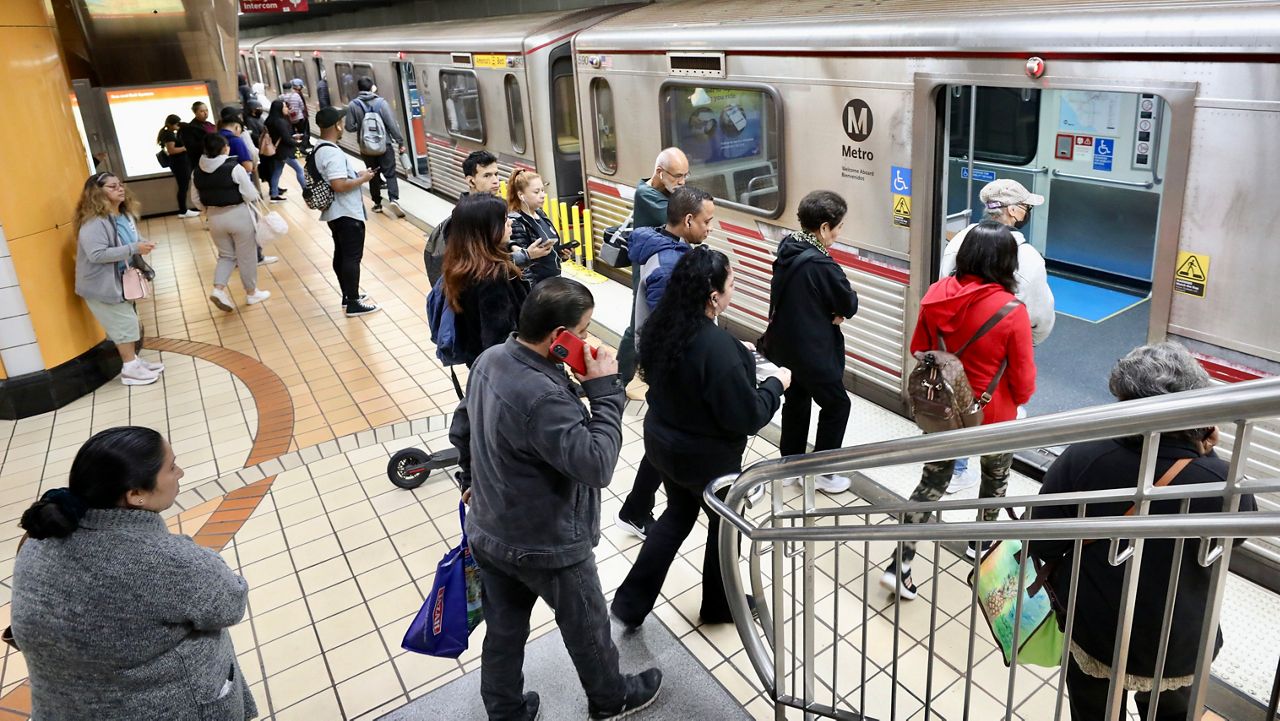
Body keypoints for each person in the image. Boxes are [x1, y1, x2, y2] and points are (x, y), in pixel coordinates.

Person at [449, 279, 662, 721]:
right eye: (582, 332)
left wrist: (471, 477)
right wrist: (606, 391)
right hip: (547, 542)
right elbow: (597, 464)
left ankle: (505, 710)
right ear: (557, 338)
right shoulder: (544, 396)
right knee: (587, 626)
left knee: (504, 630)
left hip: (490, 529)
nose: (588, 340)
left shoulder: (490, 360)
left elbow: (462, 426)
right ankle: (610, 698)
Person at [1028, 342, 1257, 721]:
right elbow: (1237, 535)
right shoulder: (1220, 480)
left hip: (1097, 626)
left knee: (1094, 710)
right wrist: (1205, 450)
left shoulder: (1084, 457)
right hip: (1179, 637)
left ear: (1124, 399)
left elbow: (1043, 538)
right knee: (1172, 713)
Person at [11, 427, 257, 720]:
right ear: (136, 494)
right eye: (172, 467)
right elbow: (230, 601)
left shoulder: (40, 536)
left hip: (65, 707)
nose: (181, 473)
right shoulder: (165, 562)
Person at [612, 247, 789, 629]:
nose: (734, 288)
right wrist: (776, 384)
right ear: (713, 297)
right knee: (725, 527)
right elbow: (749, 416)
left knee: (676, 516)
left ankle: (629, 604)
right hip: (708, 462)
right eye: (731, 282)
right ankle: (719, 606)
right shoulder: (719, 348)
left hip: (663, 447)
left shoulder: (663, 325)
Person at [881, 220, 1036, 599]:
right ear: (1005, 263)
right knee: (995, 481)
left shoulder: (937, 294)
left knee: (932, 483)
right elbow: (1025, 381)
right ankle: (979, 546)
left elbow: (919, 347)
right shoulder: (1012, 310)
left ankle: (899, 564)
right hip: (993, 415)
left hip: (944, 410)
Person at [941, 178, 1056, 493]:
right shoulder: (1028, 258)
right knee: (998, 408)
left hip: (957, 345)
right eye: (1026, 207)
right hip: (1000, 352)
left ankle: (957, 469)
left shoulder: (960, 240)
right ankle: (985, 515)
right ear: (1016, 212)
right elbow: (1041, 317)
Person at [614, 187, 715, 540]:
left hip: (665, 363)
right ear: (687, 221)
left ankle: (637, 508)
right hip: (670, 365)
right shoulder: (669, 265)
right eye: (706, 221)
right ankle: (645, 506)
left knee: (667, 436)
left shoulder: (663, 246)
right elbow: (666, 326)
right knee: (676, 435)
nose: (710, 228)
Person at [764, 190, 860, 494]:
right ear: (822, 228)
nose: (839, 232)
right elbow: (849, 304)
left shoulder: (788, 246)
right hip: (814, 351)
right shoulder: (823, 265)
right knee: (837, 405)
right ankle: (824, 472)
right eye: (839, 226)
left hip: (785, 346)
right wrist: (835, 313)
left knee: (796, 400)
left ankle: (790, 467)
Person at [73, 172, 164, 386]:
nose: (120, 189)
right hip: (101, 285)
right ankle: (130, 369)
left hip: (121, 281)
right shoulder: (95, 223)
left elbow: (132, 238)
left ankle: (134, 362)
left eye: (120, 185)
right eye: (112, 187)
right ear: (97, 193)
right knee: (125, 324)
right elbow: (96, 254)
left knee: (129, 320)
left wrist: (142, 243)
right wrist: (134, 248)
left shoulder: (124, 215)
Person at [618, 148, 690, 383]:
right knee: (637, 323)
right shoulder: (646, 195)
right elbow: (680, 219)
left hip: (667, 265)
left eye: (686, 176)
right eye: (677, 176)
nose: (682, 182)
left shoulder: (667, 191)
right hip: (650, 270)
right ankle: (620, 379)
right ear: (660, 172)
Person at [423, 150, 549, 285]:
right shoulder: (463, 221)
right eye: (487, 175)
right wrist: (526, 256)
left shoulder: (493, 211)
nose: (495, 181)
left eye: (496, 174)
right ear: (471, 181)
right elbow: (480, 268)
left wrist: (512, 246)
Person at [443, 194, 530, 367]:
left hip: (478, 361)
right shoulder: (491, 277)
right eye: (504, 220)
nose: (510, 223)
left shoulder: (463, 265)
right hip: (507, 369)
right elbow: (500, 340)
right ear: (487, 229)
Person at [190, 133, 269, 312]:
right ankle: (251, 292)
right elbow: (250, 193)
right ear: (224, 148)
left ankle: (218, 290)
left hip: (214, 218)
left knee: (226, 256)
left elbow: (195, 198)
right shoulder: (234, 167)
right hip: (238, 214)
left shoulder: (197, 171)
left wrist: (209, 210)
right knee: (246, 255)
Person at [313, 106, 380, 317]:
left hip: (336, 213)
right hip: (346, 213)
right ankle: (353, 302)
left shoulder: (319, 147)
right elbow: (339, 185)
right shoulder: (331, 152)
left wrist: (355, 173)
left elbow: (337, 178)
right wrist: (363, 179)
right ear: (337, 125)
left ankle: (348, 295)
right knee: (351, 257)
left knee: (341, 254)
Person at [346, 76, 407, 217]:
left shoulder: (353, 105)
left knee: (372, 174)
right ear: (372, 87)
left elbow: (349, 126)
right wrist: (400, 142)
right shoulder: (381, 103)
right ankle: (394, 199)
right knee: (390, 173)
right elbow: (392, 124)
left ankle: (377, 204)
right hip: (384, 145)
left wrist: (361, 127)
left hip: (366, 148)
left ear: (359, 88)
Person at [506, 168, 569, 286]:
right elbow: (523, 266)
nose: (543, 195)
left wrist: (560, 254)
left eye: (543, 190)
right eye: (536, 192)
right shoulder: (516, 223)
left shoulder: (540, 214)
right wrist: (532, 292)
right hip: (539, 288)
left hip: (554, 282)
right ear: (521, 195)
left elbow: (545, 255)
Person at [156, 115, 198, 218]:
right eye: (176, 124)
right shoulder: (169, 135)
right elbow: (171, 150)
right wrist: (184, 148)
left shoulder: (169, 134)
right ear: (170, 124)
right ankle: (183, 210)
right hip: (179, 163)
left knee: (183, 186)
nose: (178, 126)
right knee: (183, 186)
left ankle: (183, 210)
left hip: (179, 163)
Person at [265, 99, 307, 202]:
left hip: (277, 151)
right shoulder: (280, 121)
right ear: (279, 109)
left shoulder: (269, 120)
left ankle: (274, 195)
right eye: (284, 107)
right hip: (284, 151)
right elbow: (286, 138)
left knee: (277, 171)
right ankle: (307, 192)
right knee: (299, 170)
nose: (286, 108)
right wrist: (298, 143)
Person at [178, 101, 214, 169]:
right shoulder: (190, 128)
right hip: (201, 161)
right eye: (202, 111)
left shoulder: (210, 125)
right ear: (195, 112)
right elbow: (191, 147)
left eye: (207, 110)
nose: (205, 113)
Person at [282, 79, 310, 148]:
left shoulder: (281, 97)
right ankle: (303, 147)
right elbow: (302, 106)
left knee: (293, 134)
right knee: (302, 133)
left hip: (288, 119)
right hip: (299, 118)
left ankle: (296, 147)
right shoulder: (296, 95)